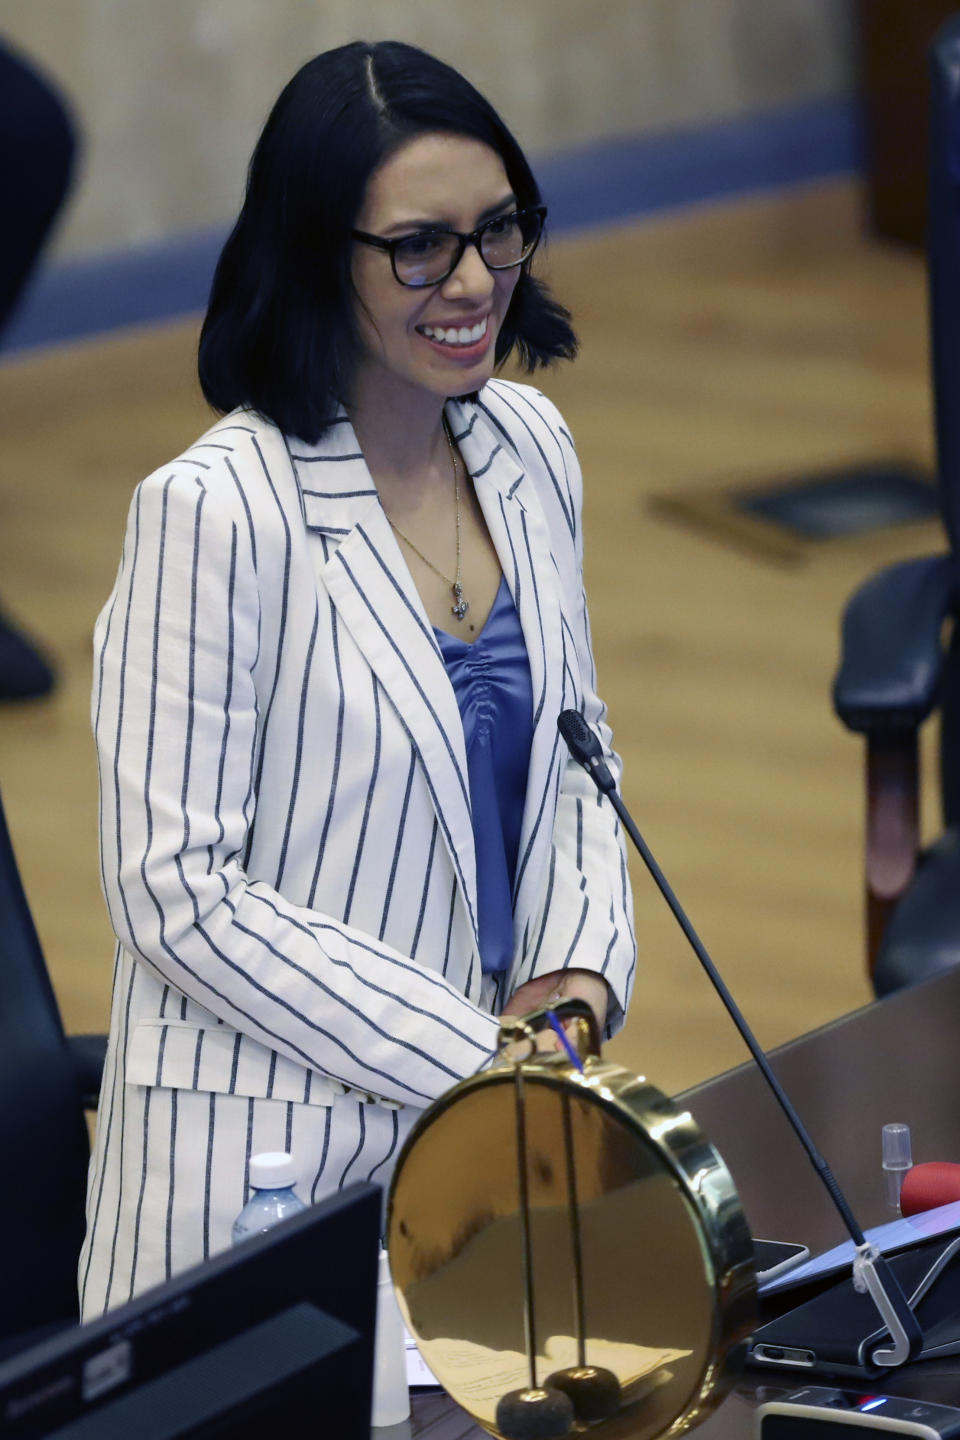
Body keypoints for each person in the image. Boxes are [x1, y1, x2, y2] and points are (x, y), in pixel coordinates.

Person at [79, 39, 636, 1318]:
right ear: (316, 253)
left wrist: (578, 978)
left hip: (492, 1160)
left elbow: (577, 751)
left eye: (499, 231)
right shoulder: (212, 515)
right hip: (262, 1183)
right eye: (420, 246)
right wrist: (479, 1055)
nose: (475, 280)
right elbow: (178, 894)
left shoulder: (530, 447)